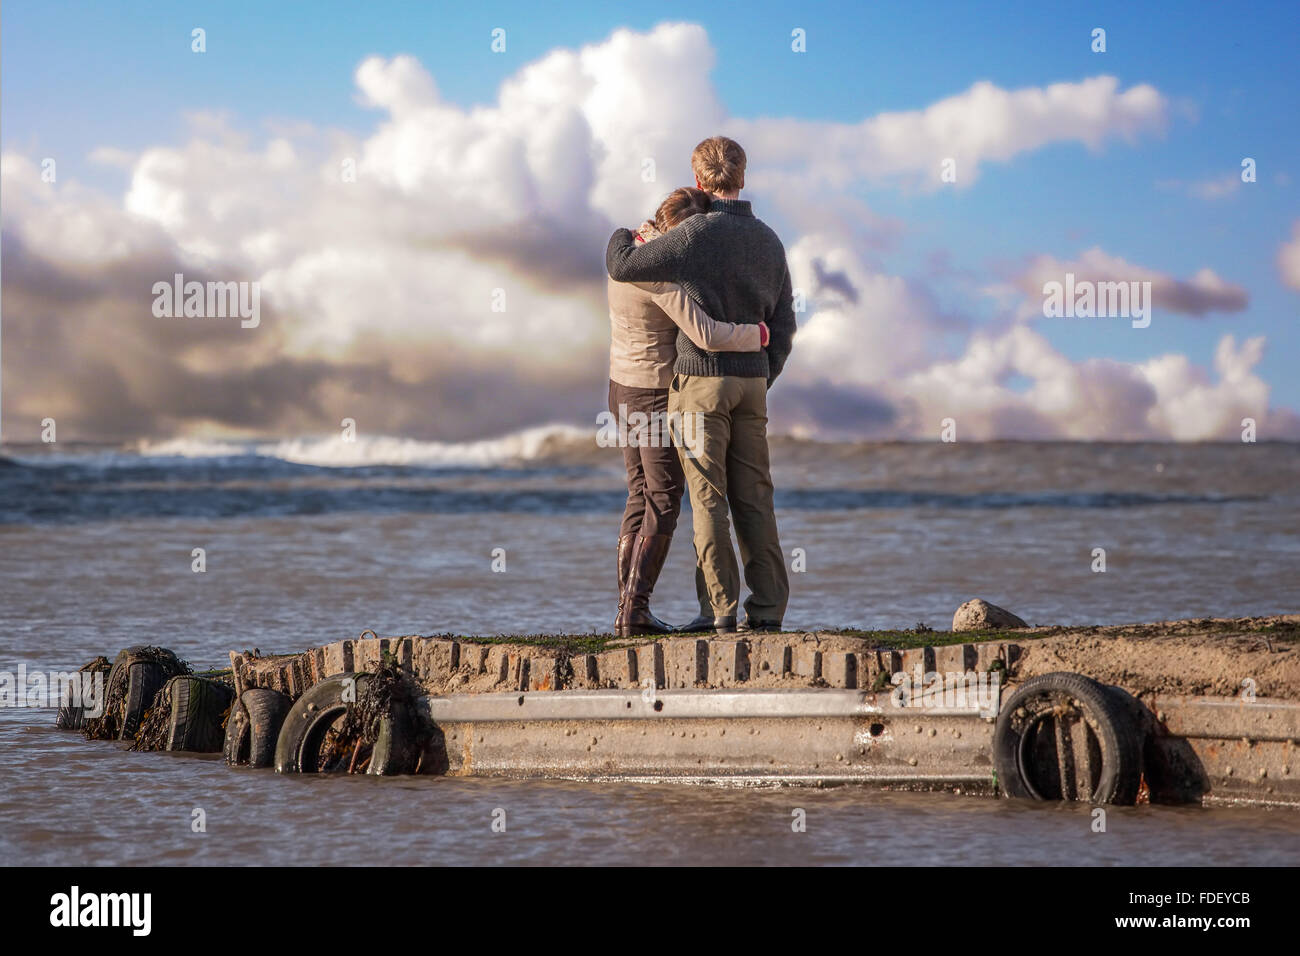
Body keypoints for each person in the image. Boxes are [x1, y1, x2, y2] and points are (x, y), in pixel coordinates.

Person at [606, 136, 796, 634]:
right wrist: (763, 374)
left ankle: (718, 611)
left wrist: (624, 233)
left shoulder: (694, 235)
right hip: (753, 384)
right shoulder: (771, 241)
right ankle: (769, 608)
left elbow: (624, 265)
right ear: (743, 176)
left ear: (698, 180)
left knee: (707, 496)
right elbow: (786, 323)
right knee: (755, 495)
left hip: (700, 383)